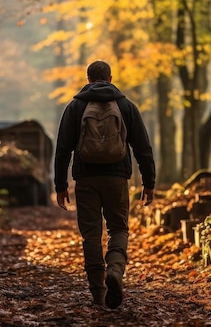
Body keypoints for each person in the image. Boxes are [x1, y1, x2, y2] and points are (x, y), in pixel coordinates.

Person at [54, 60, 156, 309]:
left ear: (88, 79)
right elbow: (142, 147)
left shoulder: (76, 106)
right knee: (118, 230)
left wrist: (60, 185)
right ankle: (115, 272)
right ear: (110, 78)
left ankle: (98, 294)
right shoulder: (125, 105)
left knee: (91, 235)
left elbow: (63, 150)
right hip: (117, 178)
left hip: (86, 180)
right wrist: (148, 182)